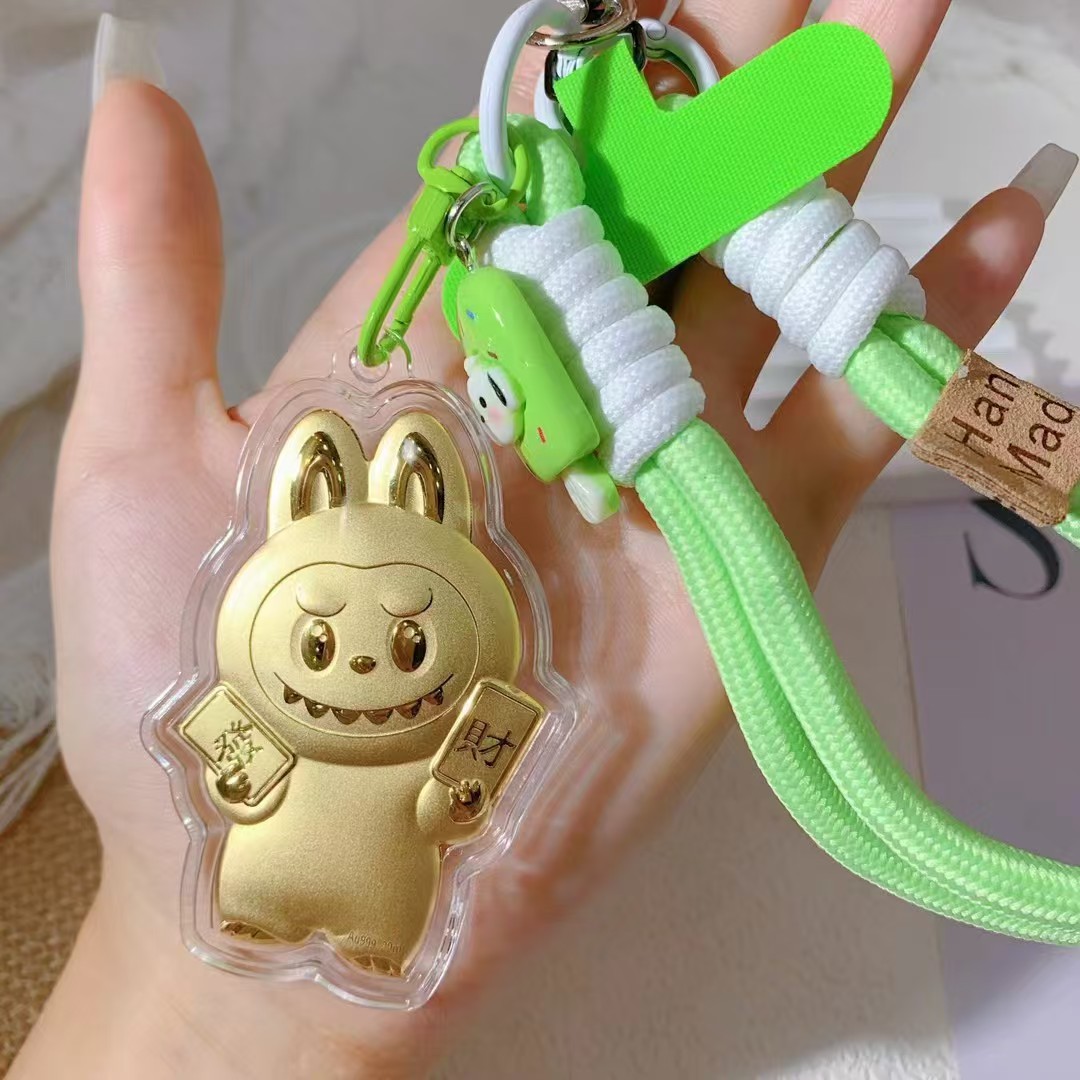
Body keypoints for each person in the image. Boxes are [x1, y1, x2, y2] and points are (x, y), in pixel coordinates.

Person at [10, 1, 1072, 1076]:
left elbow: (465, 759)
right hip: (276, 876)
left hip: (389, 890)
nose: (366, 665)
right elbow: (235, 733)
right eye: (326, 645)